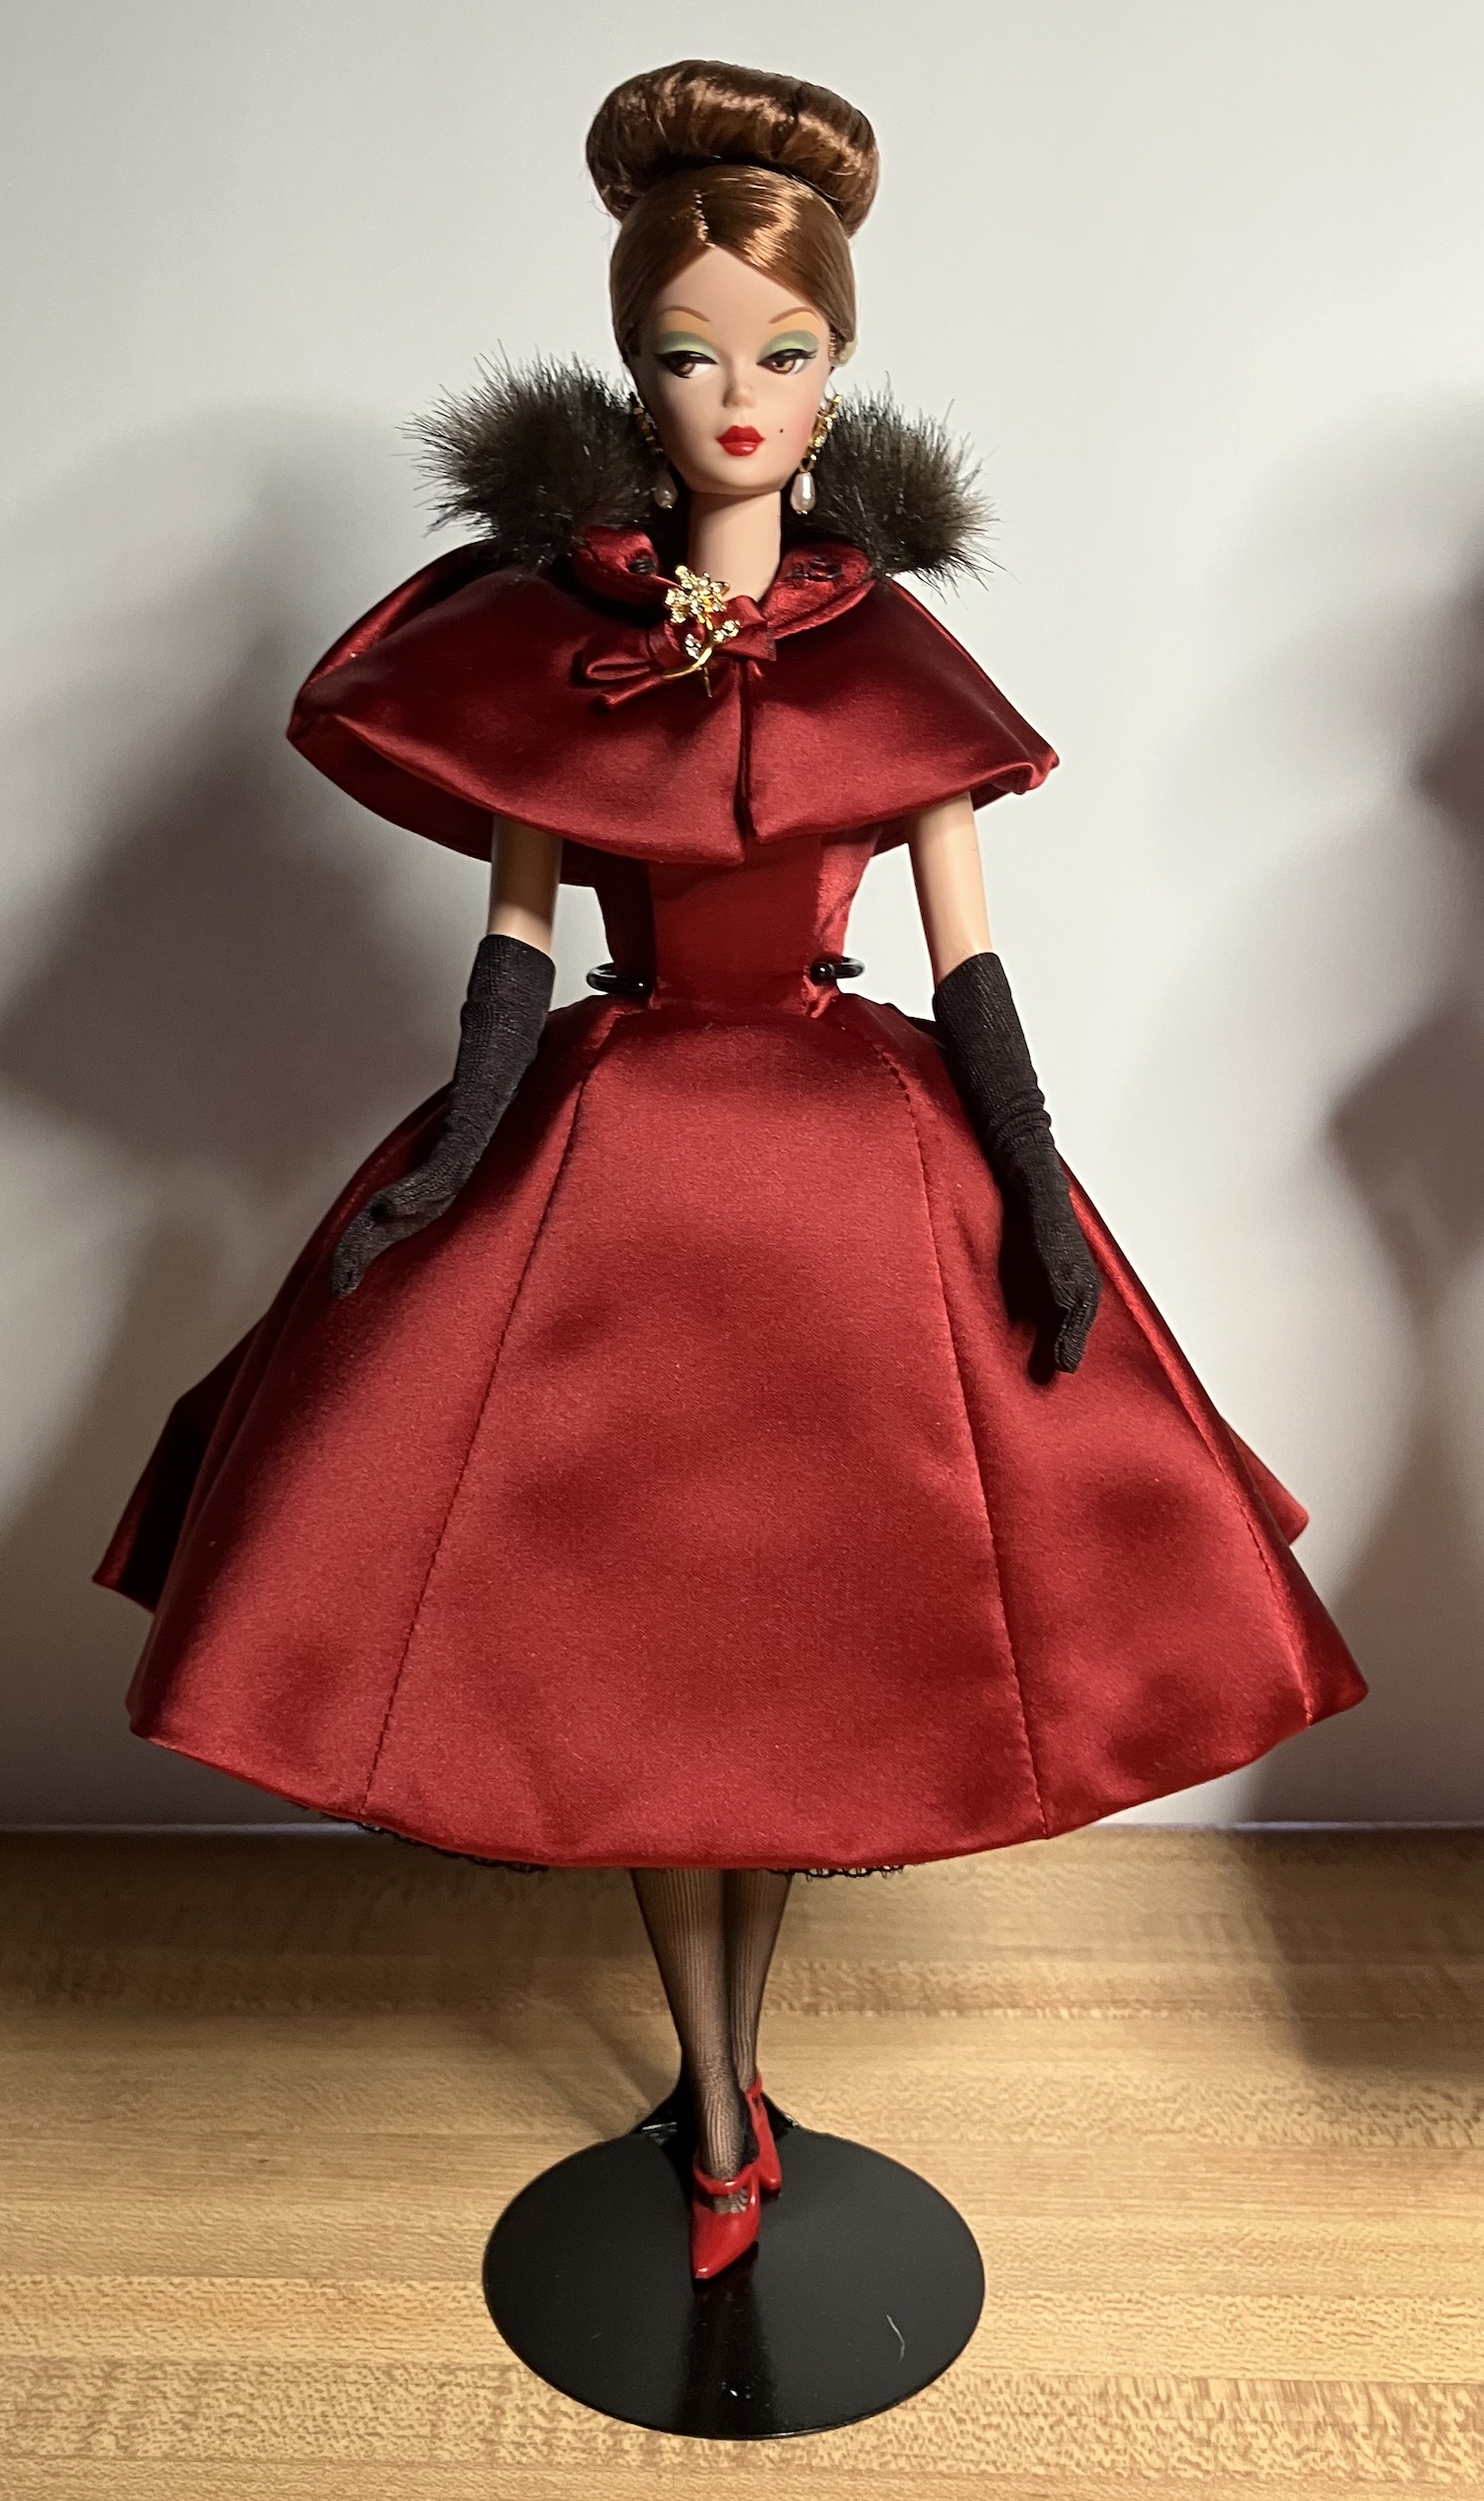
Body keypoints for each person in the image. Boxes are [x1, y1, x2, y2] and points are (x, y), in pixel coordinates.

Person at [98, 58, 1365, 2279]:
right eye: (692, 358)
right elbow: (513, 952)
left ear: (838, 368)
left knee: (804, 1656)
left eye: (781, 355)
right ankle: (712, 2100)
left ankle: (729, 2083)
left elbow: (974, 971)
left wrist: (1035, 1191)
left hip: (845, 1181)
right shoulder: (554, 654)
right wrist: (445, 1168)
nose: (740, 399)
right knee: (632, 1649)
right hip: (611, 1163)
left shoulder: (898, 666)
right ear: (637, 377)